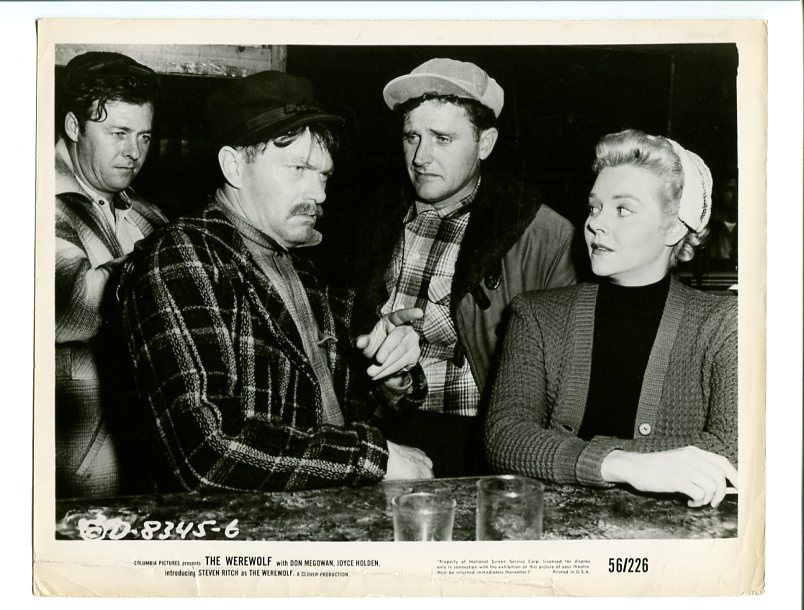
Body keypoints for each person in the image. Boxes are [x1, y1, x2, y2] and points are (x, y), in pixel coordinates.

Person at [116, 70, 433, 493]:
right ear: (234, 166)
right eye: (298, 168)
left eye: (323, 175)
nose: (319, 194)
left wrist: (388, 379)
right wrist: (374, 458)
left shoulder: (304, 269)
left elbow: (334, 417)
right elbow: (208, 453)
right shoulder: (181, 257)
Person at [485, 129, 737, 508]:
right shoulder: (536, 315)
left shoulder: (722, 324)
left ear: (674, 227)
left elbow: (732, 448)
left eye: (623, 209)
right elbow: (505, 436)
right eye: (594, 207)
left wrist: (571, 452)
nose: (595, 223)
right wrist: (619, 464)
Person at [358, 58, 576, 476]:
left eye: (442, 138)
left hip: (482, 447)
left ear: (485, 143)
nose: (420, 157)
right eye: (412, 137)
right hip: (387, 435)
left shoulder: (541, 233)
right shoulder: (376, 220)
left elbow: (562, 380)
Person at [55, 51, 166, 498]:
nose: (134, 152)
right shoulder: (31, 198)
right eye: (118, 133)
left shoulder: (143, 212)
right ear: (73, 126)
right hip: (69, 481)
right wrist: (170, 265)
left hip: (137, 472)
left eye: (144, 136)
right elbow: (73, 301)